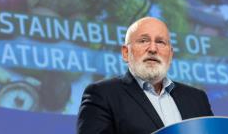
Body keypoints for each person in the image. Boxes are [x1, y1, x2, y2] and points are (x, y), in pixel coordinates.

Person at [77, 17, 213, 134]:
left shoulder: (197, 99)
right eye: (143, 41)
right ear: (125, 52)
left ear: (170, 55)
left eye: (160, 42)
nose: (153, 49)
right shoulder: (102, 95)